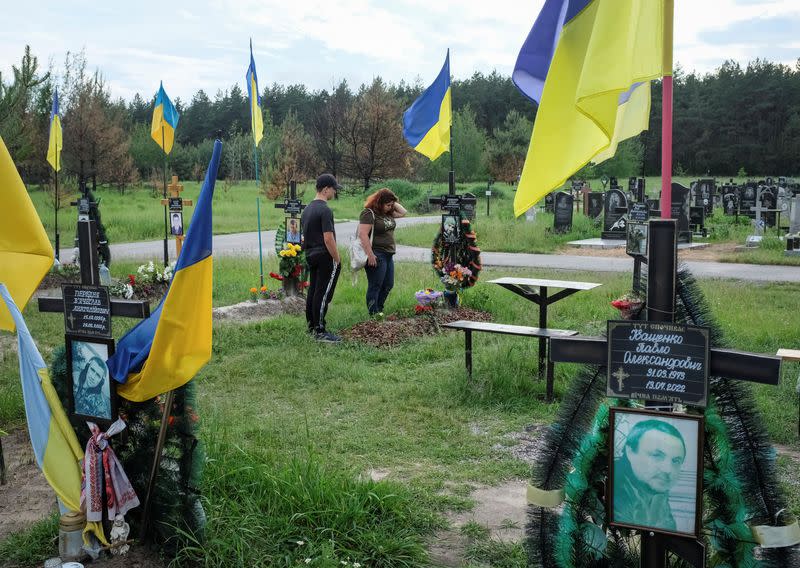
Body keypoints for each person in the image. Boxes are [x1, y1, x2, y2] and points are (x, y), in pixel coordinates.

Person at [613, 419, 687, 531]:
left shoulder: (657, 492)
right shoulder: (612, 494)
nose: (667, 469)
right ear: (630, 452)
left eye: (675, 461)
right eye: (657, 455)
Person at [301, 173, 342, 342]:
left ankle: (311, 326)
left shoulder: (307, 209)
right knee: (323, 292)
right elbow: (328, 238)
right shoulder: (325, 210)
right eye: (333, 189)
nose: (334, 192)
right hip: (325, 256)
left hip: (310, 254)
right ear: (326, 189)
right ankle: (320, 330)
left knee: (313, 291)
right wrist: (337, 258)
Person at [357, 188, 406, 317]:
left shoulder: (388, 213)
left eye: (391, 205)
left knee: (388, 284)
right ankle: (373, 313)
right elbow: (363, 235)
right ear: (379, 202)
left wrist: (392, 202)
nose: (390, 208)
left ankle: (379, 309)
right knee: (376, 285)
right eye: (388, 205)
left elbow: (403, 212)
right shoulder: (369, 213)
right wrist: (370, 254)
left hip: (389, 254)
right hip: (377, 253)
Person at [74, 353, 111, 419]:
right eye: (92, 370)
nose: (93, 377)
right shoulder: (74, 377)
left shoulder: (99, 402)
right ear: (88, 367)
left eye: (98, 375)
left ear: (101, 381)